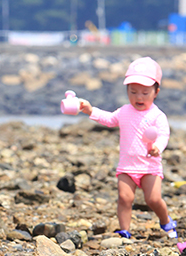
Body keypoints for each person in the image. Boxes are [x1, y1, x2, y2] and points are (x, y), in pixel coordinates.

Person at [75, 56, 177, 239]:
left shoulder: (157, 115)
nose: (138, 97)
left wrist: (157, 148)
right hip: (127, 166)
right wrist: (91, 111)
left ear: (156, 92)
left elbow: (164, 135)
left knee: (153, 199)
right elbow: (109, 119)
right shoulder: (124, 111)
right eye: (133, 92)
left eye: (145, 93)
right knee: (125, 198)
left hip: (149, 167)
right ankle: (125, 230)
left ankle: (165, 221)